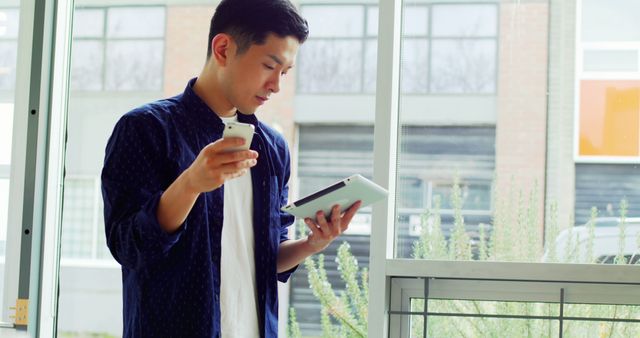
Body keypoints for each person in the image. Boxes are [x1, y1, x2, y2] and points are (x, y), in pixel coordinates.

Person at [101, 0, 361, 337]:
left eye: (285, 72)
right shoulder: (146, 129)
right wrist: (190, 184)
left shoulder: (272, 148)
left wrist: (312, 244)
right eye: (270, 65)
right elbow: (128, 247)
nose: (276, 85)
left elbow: (266, 258)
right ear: (223, 49)